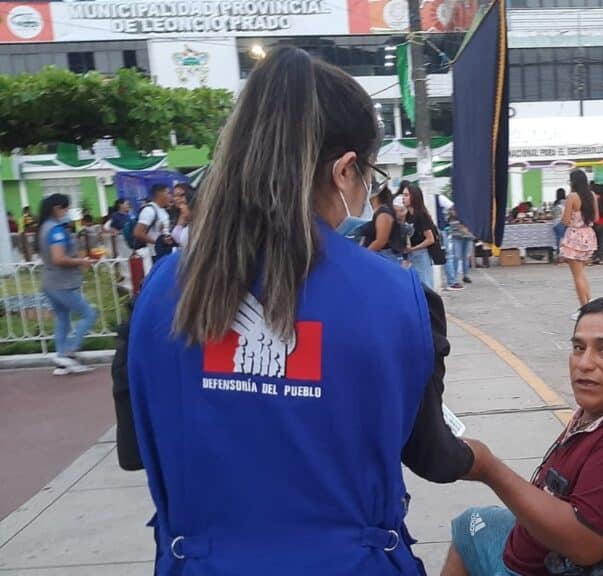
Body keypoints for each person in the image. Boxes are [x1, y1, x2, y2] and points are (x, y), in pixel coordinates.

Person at [128, 47, 474, 575]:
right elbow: (432, 455)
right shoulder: (399, 299)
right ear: (344, 170)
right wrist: (488, 466)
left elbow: (136, 449)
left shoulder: (159, 294)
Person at [443, 298, 603, 576]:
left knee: (471, 529)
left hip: (558, 566)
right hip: (540, 547)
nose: (584, 363)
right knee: (471, 523)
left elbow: (583, 544)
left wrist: (489, 469)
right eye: (578, 348)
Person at [37, 194, 97, 375]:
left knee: (62, 319)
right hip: (61, 283)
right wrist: (80, 261)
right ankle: (69, 352)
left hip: (49, 282)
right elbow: (59, 258)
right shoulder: (55, 230)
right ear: (57, 208)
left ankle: (62, 361)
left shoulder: (44, 227)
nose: (68, 212)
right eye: (66, 208)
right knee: (89, 314)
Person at [560, 170, 598, 318]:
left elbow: (564, 220)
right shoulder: (592, 196)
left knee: (577, 276)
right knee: (581, 273)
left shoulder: (572, 197)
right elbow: (596, 217)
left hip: (574, 236)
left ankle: (584, 308)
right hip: (588, 234)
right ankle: (587, 302)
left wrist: (572, 220)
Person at [403, 183, 438, 289]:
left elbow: (430, 239)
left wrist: (413, 249)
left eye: (406, 195)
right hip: (412, 256)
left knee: (425, 286)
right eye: (403, 195)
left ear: (414, 197)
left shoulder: (421, 215)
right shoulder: (408, 216)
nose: (403, 198)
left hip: (421, 255)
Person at [362, 184, 406, 265]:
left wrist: (363, 255)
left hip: (384, 256)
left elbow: (381, 241)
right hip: (378, 255)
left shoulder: (384, 213)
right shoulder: (376, 211)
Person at [133, 184, 173, 266]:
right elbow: (138, 233)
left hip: (162, 252)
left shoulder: (162, 210)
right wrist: (158, 242)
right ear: (161, 195)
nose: (170, 196)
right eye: (168, 193)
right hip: (152, 255)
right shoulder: (149, 210)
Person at [444, 205, 474, 290]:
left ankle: (465, 275)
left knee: (466, 257)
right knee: (456, 256)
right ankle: (454, 277)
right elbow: (449, 222)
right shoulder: (453, 207)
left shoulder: (469, 208)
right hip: (457, 236)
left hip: (468, 236)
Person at [551, 188, 567, 259]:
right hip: (562, 222)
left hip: (555, 223)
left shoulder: (555, 203)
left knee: (558, 239)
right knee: (563, 240)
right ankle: (562, 255)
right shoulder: (565, 202)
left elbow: (552, 214)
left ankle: (558, 254)